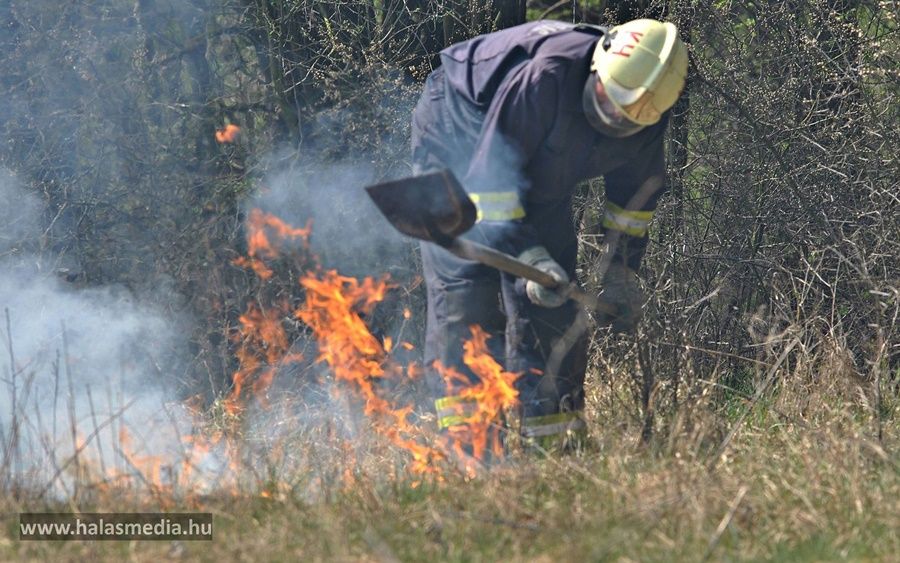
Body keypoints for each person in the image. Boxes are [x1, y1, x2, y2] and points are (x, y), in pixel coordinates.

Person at [410, 19, 688, 445]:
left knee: (554, 298)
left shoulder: (646, 115)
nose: (613, 116)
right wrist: (528, 259)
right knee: (465, 290)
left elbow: (632, 204)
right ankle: (471, 448)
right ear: (599, 66)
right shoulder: (547, 75)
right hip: (458, 126)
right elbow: (491, 189)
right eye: (608, 100)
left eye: (626, 115)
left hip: (535, 166)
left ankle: (554, 444)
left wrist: (620, 272)